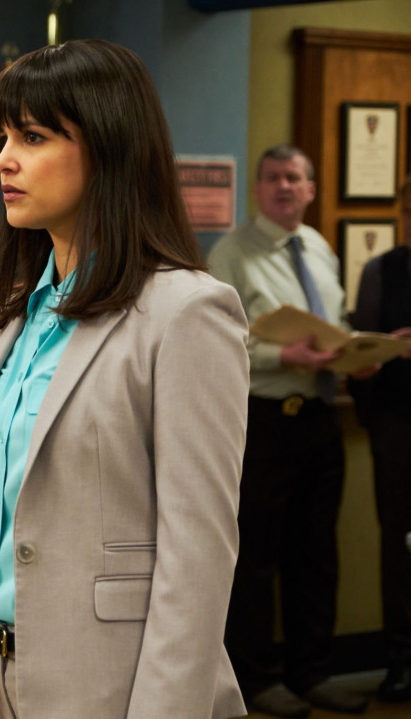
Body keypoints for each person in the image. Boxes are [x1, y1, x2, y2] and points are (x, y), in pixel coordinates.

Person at [0, 40, 249, 718]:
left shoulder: (187, 312)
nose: (2, 158)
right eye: (4, 136)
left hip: (114, 688)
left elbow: (198, 557)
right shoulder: (26, 307)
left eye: (32, 137)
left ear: (108, 148)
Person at [209, 144, 370, 716]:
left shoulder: (320, 248)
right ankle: (255, 680)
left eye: (294, 177)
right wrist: (284, 355)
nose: (283, 186)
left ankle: (312, 673)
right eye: (273, 177)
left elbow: (334, 324)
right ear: (258, 189)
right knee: (256, 558)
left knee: (316, 555)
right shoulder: (232, 253)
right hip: (264, 421)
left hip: (320, 420)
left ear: (310, 190)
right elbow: (219, 340)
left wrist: (358, 352)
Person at [349, 174, 411, 703]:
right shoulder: (380, 270)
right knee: (399, 541)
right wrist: (378, 353)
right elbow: (359, 355)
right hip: (397, 424)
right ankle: (401, 659)